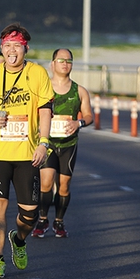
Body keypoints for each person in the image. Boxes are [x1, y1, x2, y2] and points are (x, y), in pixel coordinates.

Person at [0, 22, 54, 278]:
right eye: (7, 45)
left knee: (29, 214)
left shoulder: (37, 73)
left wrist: (44, 142)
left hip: (27, 154)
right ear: (1, 48)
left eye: (16, 46)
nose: (11, 51)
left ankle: (18, 240)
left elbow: (45, 111)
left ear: (25, 48)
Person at [32, 49, 93, 239]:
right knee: (46, 182)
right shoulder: (43, 89)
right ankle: (42, 220)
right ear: (52, 64)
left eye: (68, 61)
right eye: (61, 60)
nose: (65, 64)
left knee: (64, 185)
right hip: (47, 144)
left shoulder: (79, 91)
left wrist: (79, 122)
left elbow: (89, 115)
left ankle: (59, 221)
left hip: (69, 144)